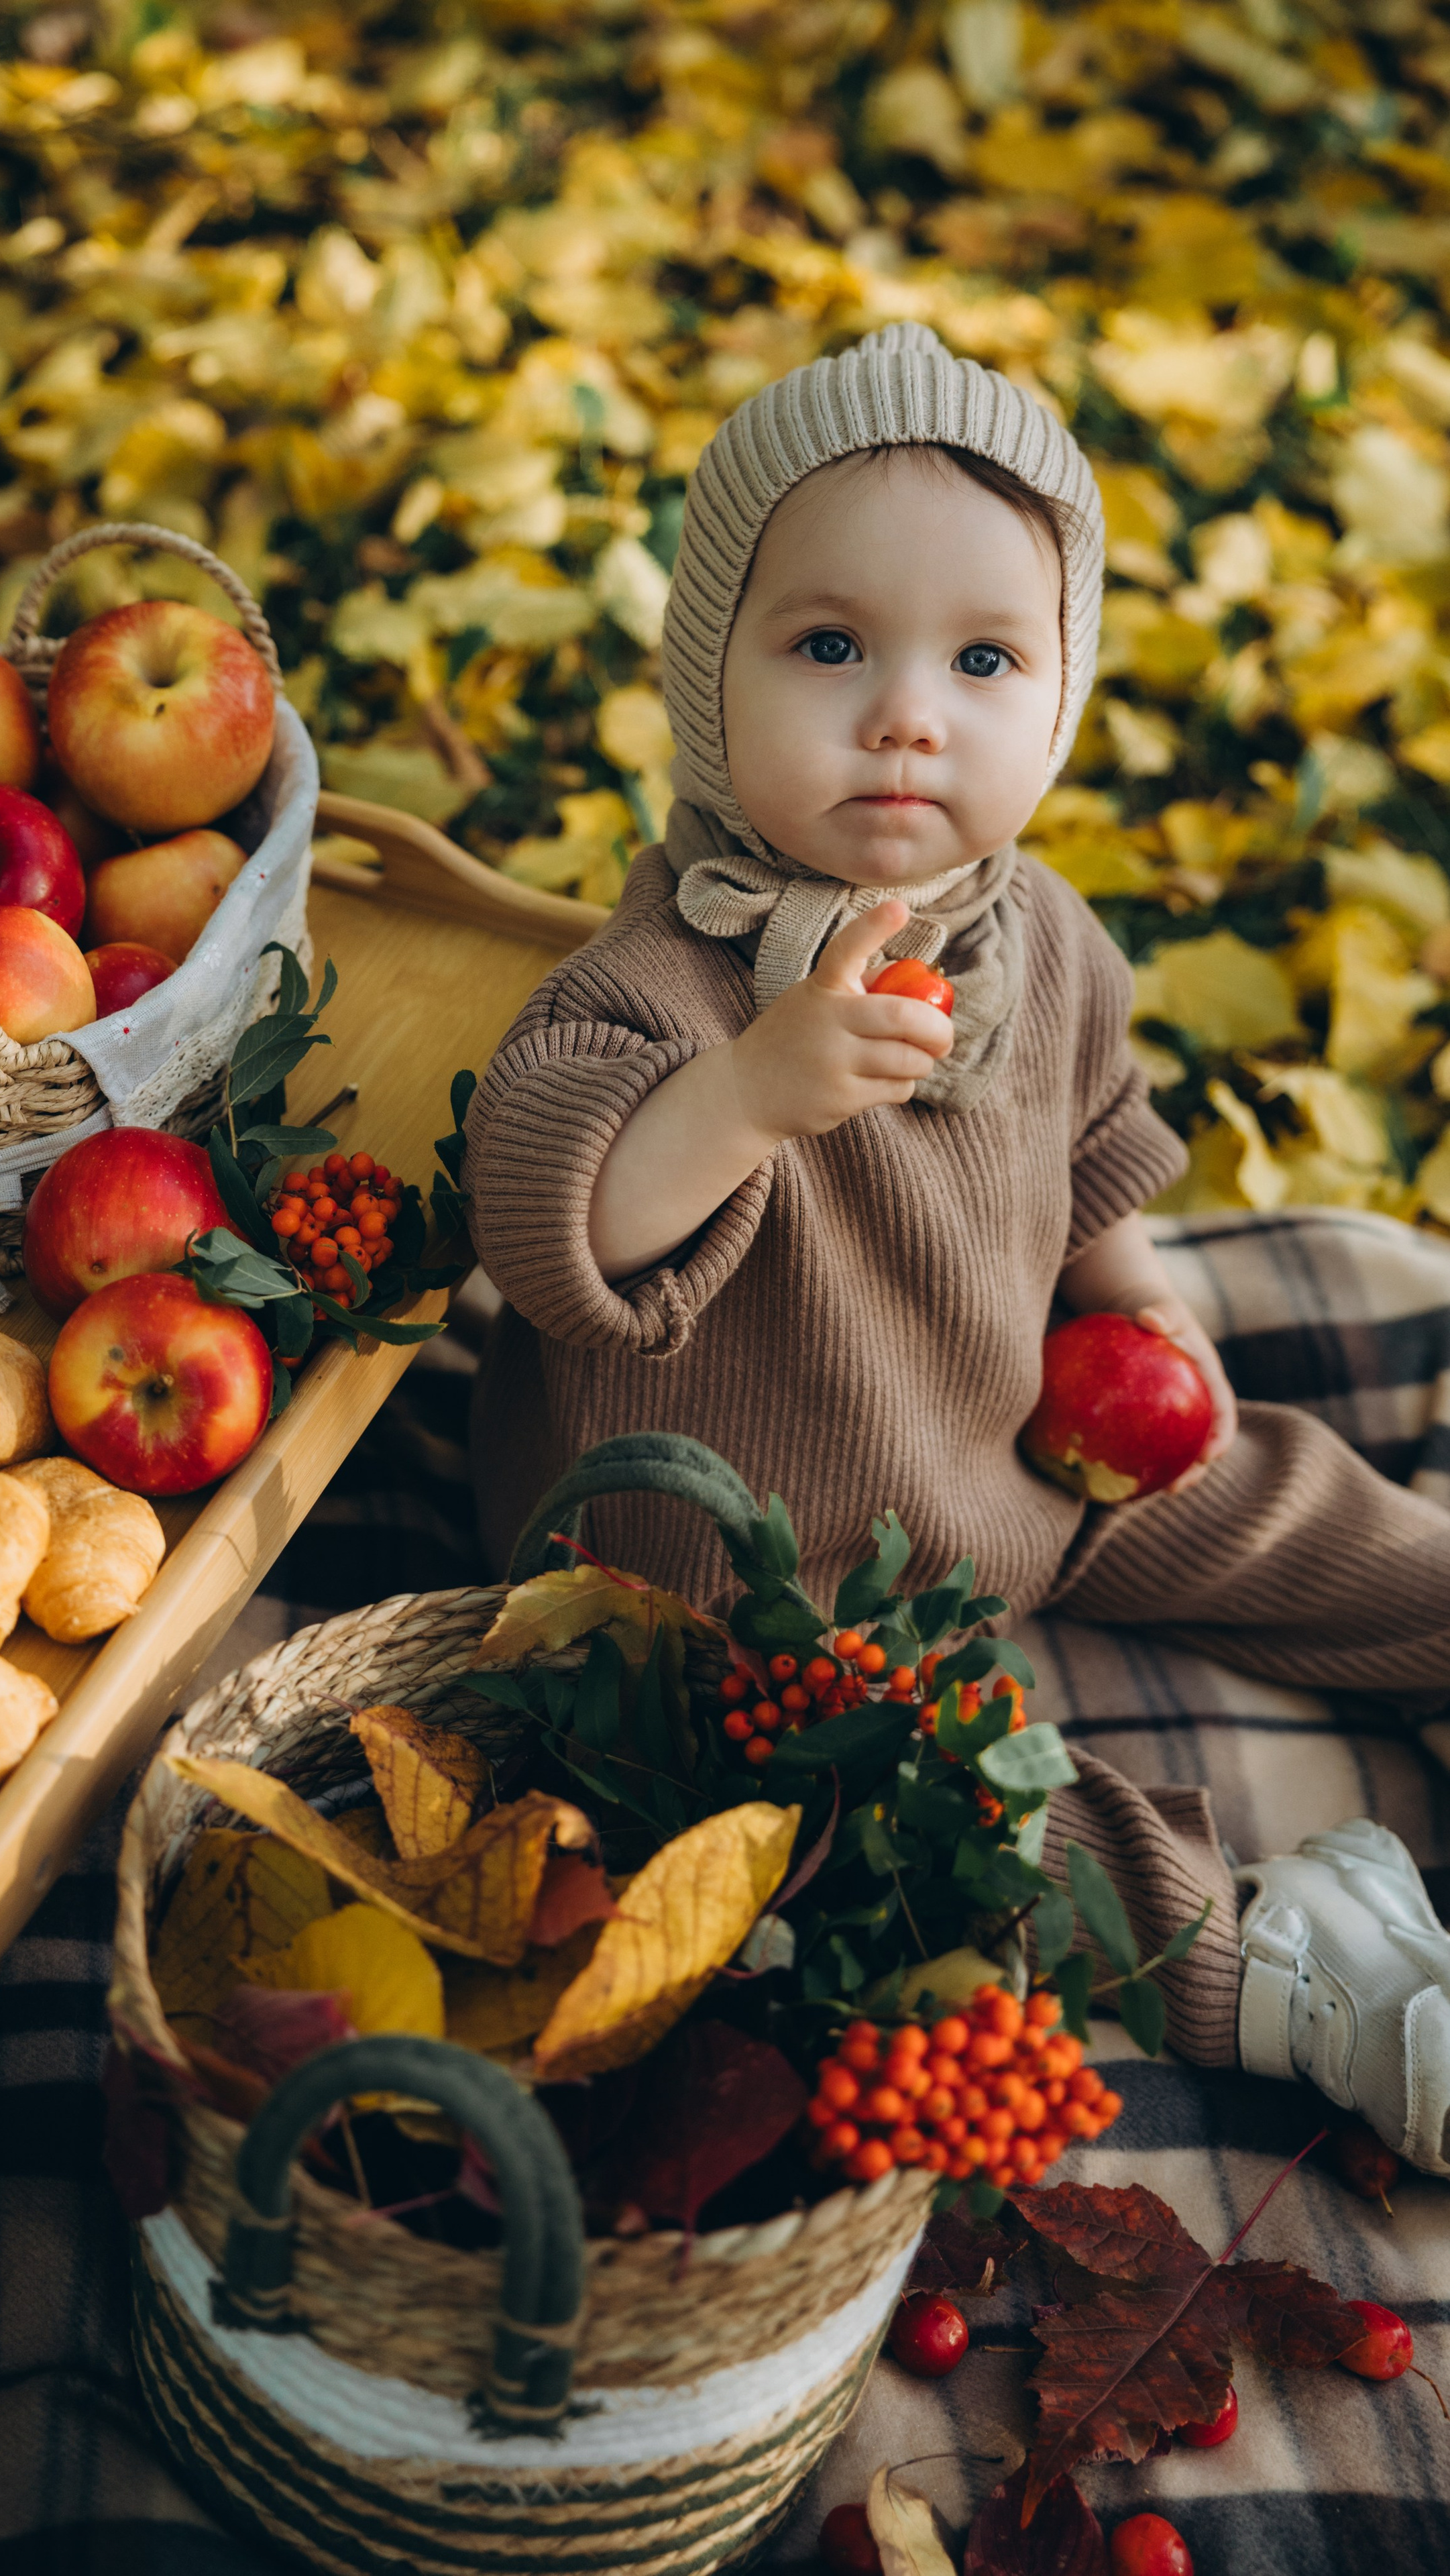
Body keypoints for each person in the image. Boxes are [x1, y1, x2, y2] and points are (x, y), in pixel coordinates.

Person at [461, 322, 1450, 2176]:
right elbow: (549, 1220)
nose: (909, 713)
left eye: (984, 659)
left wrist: (1136, 1302)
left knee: (1283, 1498)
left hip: (1010, 1449)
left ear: (1060, 696)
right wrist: (749, 1097)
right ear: (711, 679)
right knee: (918, 1813)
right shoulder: (666, 983)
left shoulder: (1042, 936)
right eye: (830, 646)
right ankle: (1300, 1972)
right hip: (734, 1591)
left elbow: (1089, 1148)